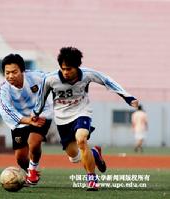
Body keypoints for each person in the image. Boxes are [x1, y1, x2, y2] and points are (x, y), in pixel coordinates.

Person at [33, 47, 139, 191]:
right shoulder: (51, 79)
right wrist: (36, 113)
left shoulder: (88, 74)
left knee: (81, 139)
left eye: (69, 69)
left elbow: (108, 81)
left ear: (77, 67)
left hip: (82, 112)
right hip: (62, 119)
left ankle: (91, 179)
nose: (65, 72)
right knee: (74, 157)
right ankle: (94, 153)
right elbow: (41, 97)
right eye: (63, 69)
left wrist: (128, 97)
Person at [0, 54, 53, 185]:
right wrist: (27, 120)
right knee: (20, 158)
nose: (10, 76)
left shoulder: (36, 77)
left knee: (33, 142)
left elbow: (54, 79)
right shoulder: (3, 90)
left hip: (41, 114)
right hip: (21, 121)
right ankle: (29, 170)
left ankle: (32, 172)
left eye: (14, 72)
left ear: (22, 70)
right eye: (7, 73)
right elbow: (6, 111)